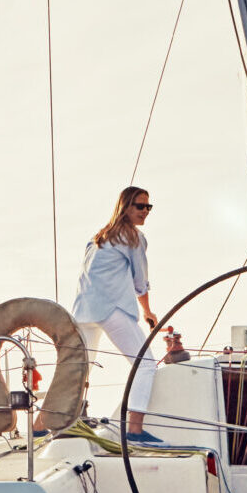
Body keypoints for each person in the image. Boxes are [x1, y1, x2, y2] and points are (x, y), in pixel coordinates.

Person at [70, 186, 167, 440]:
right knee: (145, 365)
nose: (145, 211)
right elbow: (139, 282)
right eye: (140, 206)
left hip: (83, 311)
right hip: (110, 307)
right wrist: (148, 311)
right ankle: (134, 430)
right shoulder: (133, 237)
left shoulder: (98, 237)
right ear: (125, 207)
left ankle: (44, 424)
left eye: (149, 206)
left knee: (80, 369)